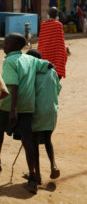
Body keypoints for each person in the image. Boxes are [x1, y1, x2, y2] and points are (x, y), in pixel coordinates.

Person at [0, 33, 51, 193]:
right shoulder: (31, 59)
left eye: (7, 43)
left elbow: (13, 86)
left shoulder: (9, 61)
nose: (4, 45)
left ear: (15, 45)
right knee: (27, 141)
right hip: (28, 106)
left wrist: (13, 111)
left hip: (9, 106)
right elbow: (48, 65)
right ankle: (32, 177)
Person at [26, 49, 61, 184]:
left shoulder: (31, 73)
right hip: (51, 111)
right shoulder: (52, 71)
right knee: (47, 139)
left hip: (37, 111)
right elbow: (58, 88)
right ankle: (53, 165)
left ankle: (38, 176)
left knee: (34, 143)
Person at [38, 7, 67, 80]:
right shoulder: (59, 25)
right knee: (56, 75)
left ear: (48, 15)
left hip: (44, 53)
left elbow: (41, 41)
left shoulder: (43, 25)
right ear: (57, 15)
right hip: (56, 54)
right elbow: (60, 42)